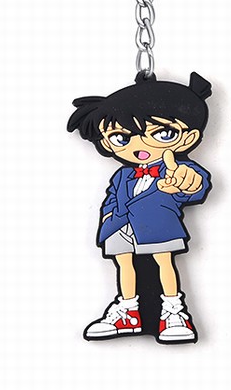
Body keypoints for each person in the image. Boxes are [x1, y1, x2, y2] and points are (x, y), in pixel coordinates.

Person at [67, 72, 212, 344]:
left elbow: (195, 183)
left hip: (159, 226)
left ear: (188, 137)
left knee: (163, 262)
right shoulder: (123, 174)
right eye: (121, 138)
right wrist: (109, 220)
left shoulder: (176, 168)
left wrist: (185, 181)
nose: (139, 146)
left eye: (162, 134)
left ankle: (173, 310)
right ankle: (127, 310)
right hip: (120, 227)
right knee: (124, 265)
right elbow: (112, 196)